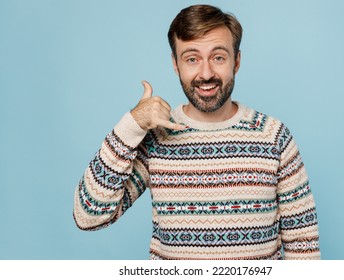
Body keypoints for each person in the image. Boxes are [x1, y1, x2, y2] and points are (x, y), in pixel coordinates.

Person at [73, 4, 320, 260]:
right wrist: (131, 125)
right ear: (175, 64)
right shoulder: (157, 138)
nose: (206, 73)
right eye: (192, 58)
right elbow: (88, 216)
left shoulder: (274, 137)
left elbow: (303, 246)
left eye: (218, 57)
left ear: (236, 61)